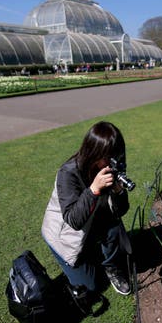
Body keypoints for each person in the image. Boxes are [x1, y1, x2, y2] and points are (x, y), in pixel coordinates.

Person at [41, 121, 132, 298]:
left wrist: (119, 192)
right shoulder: (68, 173)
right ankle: (83, 257)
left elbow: (121, 211)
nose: (115, 163)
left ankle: (110, 266)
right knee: (90, 287)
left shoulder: (112, 166)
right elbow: (73, 220)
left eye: (118, 156)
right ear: (95, 153)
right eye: (110, 158)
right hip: (65, 236)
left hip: (91, 222)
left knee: (114, 226)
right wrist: (93, 190)